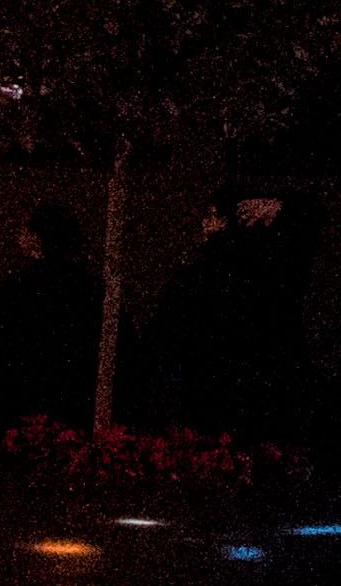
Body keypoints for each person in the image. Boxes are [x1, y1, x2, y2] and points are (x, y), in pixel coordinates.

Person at [134, 187, 318, 446]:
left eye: (213, 216)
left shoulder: (255, 276)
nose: (205, 224)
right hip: (213, 394)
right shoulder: (204, 278)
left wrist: (281, 207)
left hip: (232, 394)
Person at [0, 201, 99, 428]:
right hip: (75, 411)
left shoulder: (11, 292)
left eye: (23, 230)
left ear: (35, 239)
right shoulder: (93, 291)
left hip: (17, 413)